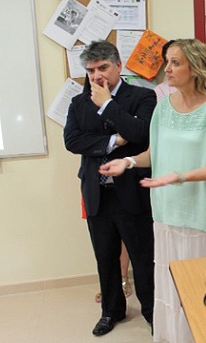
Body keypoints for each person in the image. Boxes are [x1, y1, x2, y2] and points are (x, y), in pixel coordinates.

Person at [99, 38, 206, 343]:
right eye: (167, 61)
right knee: (172, 289)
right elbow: (154, 155)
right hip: (167, 213)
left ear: (194, 68)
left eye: (176, 63)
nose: (167, 69)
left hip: (201, 216)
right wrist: (128, 162)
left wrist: (178, 176)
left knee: (203, 290)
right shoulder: (162, 108)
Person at [63, 40, 155, 336]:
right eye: (90, 70)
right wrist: (114, 141)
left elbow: (141, 133)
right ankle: (112, 311)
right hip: (97, 193)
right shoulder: (78, 102)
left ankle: (153, 312)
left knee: (143, 258)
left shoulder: (142, 96)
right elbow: (72, 141)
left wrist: (108, 105)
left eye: (103, 68)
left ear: (118, 65)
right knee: (105, 257)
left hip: (132, 192)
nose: (96, 75)